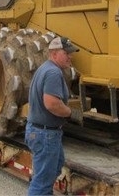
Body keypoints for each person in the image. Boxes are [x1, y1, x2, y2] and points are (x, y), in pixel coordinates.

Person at [25, 36, 80, 196]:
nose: (70, 56)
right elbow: (51, 103)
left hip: (40, 132)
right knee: (42, 185)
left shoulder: (45, 68)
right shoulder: (53, 73)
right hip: (45, 134)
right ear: (54, 53)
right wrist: (71, 113)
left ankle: (40, 183)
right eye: (66, 53)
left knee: (56, 166)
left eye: (70, 53)